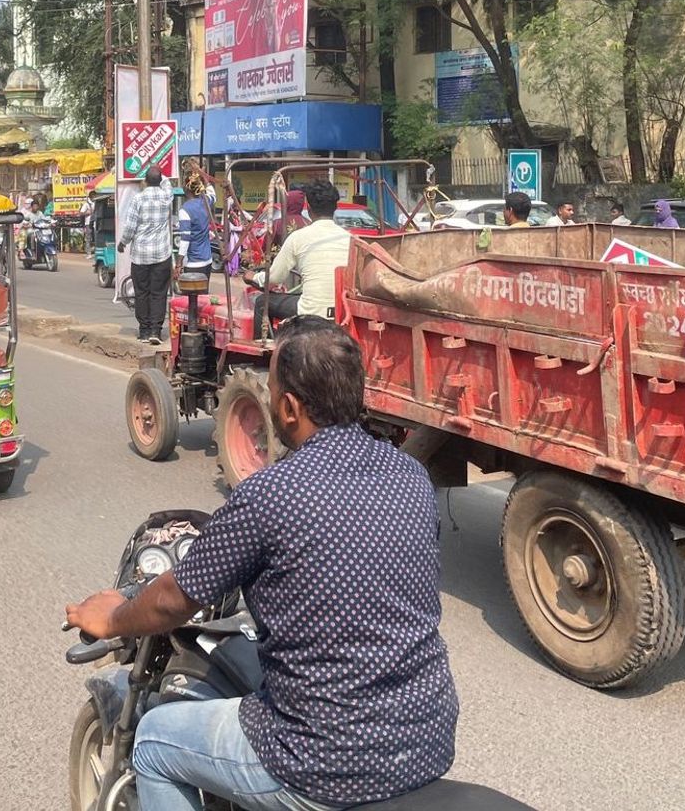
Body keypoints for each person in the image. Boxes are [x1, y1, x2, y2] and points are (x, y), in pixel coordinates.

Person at [65, 317, 459, 811]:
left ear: (289, 407)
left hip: (323, 761)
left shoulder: (270, 495)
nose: (271, 401)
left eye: (272, 390)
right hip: (429, 733)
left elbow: (170, 602)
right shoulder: (410, 475)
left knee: (155, 740)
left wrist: (112, 615)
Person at [244, 180, 350, 339]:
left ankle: (264, 358)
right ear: (335, 207)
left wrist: (253, 277)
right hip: (343, 310)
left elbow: (273, 278)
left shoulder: (296, 236)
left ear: (308, 206)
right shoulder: (350, 237)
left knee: (261, 302)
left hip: (311, 310)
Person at [118, 167, 175, 344]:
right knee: (159, 293)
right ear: (158, 181)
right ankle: (155, 332)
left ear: (146, 181)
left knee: (141, 293)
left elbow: (130, 227)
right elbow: (166, 183)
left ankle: (144, 331)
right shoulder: (167, 196)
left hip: (140, 255)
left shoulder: (138, 198)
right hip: (161, 255)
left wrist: (123, 243)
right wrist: (159, 173)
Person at [175, 177, 213, 284]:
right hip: (207, 261)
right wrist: (204, 178)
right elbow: (212, 193)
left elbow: (185, 240)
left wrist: (178, 264)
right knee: (204, 296)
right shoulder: (206, 202)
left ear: (186, 189)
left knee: (192, 298)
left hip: (193, 264)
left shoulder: (185, 210)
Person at [79, 190, 97, 256]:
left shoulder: (96, 203)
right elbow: (81, 213)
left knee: (96, 238)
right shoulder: (86, 204)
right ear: (91, 197)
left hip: (95, 223)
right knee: (88, 238)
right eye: (94, 196)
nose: (95, 197)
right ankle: (88, 253)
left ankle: (95, 252)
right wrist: (87, 213)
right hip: (88, 223)